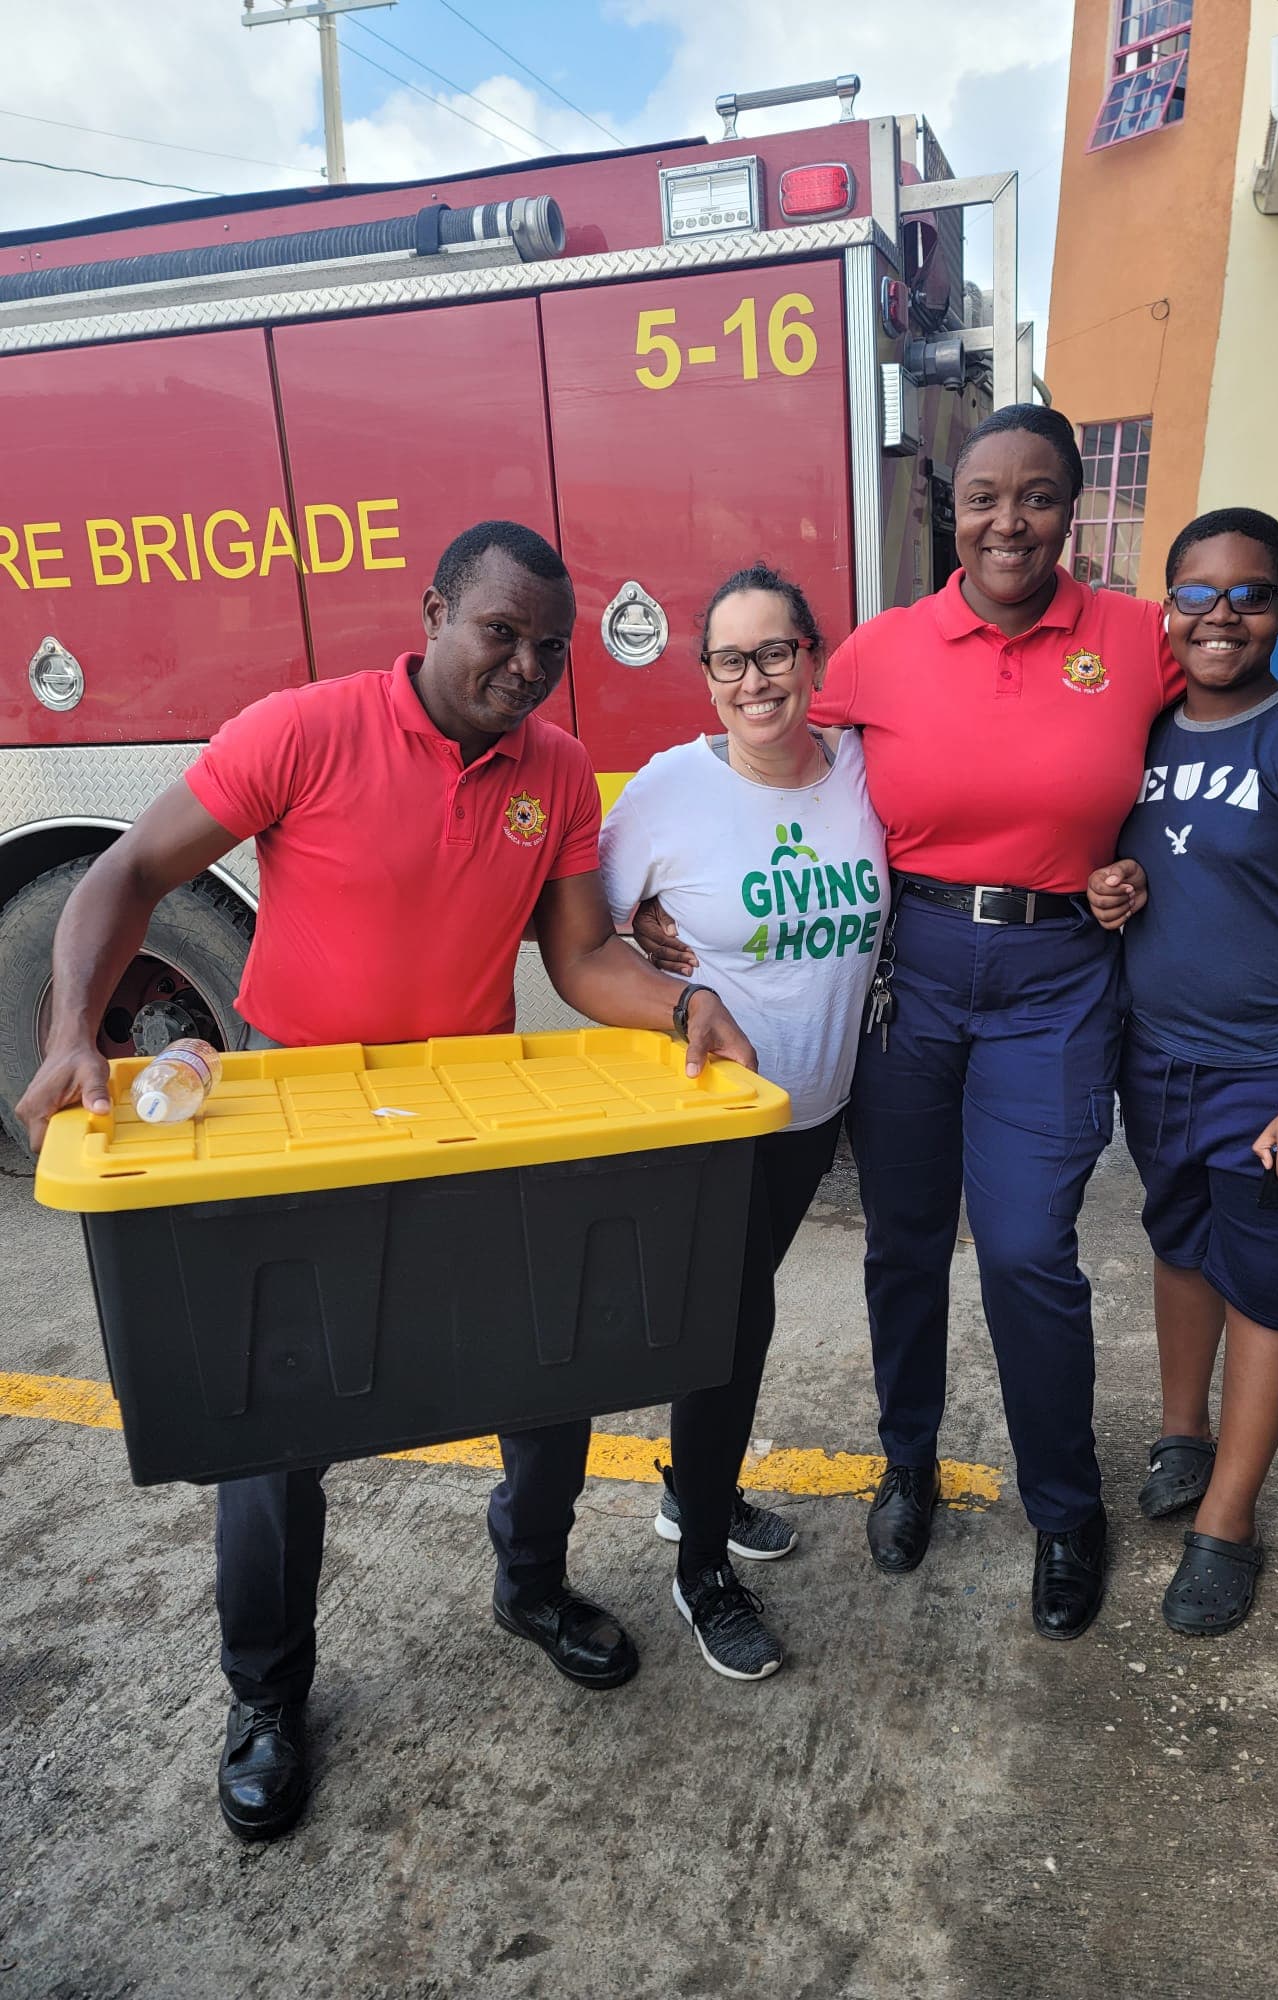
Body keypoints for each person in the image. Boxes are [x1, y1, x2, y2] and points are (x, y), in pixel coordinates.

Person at [16, 520, 755, 1842]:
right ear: (433, 613)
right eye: (499, 634)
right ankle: (267, 1695)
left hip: (466, 1124)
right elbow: (129, 871)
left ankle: (531, 1585)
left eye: (549, 648)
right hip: (305, 1121)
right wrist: (74, 1030)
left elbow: (582, 957)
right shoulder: (306, 731)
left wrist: (679, 1005)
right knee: (277, 1425)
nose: (525, 667)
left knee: (553, 1375)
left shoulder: (559, 775)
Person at [636, 405, 1186, 1638]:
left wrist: (1134, 862)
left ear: (1073, 506)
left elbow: (1195, 751)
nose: (1009, 520)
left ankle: (1063, 1507)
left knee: (1031, 1250)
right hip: (916, 970)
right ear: (954, 511)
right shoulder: (882, 649)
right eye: (984, 495)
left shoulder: (1138, 640)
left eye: (1037, 495)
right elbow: (764, 747)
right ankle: (908, 1464)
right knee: (901, 1239)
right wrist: (665, 905)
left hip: (1057, 976)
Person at [1087, 507, 1278, 1635]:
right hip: (1161, 1057)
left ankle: (1228, 1517)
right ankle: (1183, 1434)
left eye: (1249, 594)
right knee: (1181, 1244)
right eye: (1198, 594)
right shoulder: (1145, 730)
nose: (1221, 616)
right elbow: (1133, 860)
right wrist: (1109, 889)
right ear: (1165, 607)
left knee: (1267, 1282)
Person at [599, 563, 888, 1681]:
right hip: (715, 1119)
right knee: (731, 1329)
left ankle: (691, 1491)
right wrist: (657, 960)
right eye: (731, 659)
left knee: (727, 1320)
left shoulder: (863, 768)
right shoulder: (672, 789)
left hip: (817, 1106)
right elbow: (575, 932)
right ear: (706, 676)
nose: (756, 678)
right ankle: (702, 1567)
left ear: (812, 658)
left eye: (777, 653)